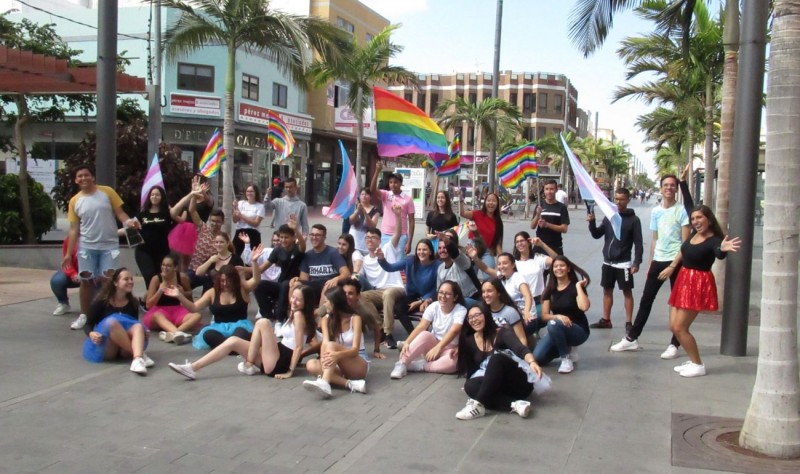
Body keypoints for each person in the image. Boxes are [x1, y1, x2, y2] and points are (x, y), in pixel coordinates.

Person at [611, 174, 690, 357]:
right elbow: (655, 239)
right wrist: (650, 263)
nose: (669, 188)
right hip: (658, 261)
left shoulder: (682, 211)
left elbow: (685, 243)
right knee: (646, 300)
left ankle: (674, 344)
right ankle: (631, 338)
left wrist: (673, 265)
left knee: (677, 303)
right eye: (666, 185)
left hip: (677, 262)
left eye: (672, 185)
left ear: (676, 189)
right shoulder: (656, 211)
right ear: (661, 188)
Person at [168, 285, 320, 380]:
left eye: (298, 300)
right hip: (276, 354)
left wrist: (290, 371)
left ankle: (249, 364)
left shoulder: (300, 316)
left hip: (280, 362)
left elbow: (299, 347)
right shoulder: (295, 314)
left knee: (263, 322)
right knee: (233, 341)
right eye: (293, 297)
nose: (293, 301)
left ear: (306, 303)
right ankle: (193, 368)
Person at [660, 206, 740, 377]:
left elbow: (718, 252)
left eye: (699, 218)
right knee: (673, 326)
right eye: (693, 218)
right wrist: (672, 266)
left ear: (709, 219)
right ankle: (692, 359)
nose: (695, 221)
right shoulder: (693, 234)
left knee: (680, 327)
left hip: (697, 284)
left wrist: (722, 248)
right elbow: (683, 250)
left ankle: (698, 365)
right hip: (683, 280)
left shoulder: (714, 240)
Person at [64, 164, 140, 331]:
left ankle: (107, 313)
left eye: (86, 175)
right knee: (86, 281)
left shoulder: (107, 192)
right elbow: (74, 229)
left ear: (93, 177)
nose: (83, 178)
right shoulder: (75, 201)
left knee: (109, 281)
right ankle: (85, 315)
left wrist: (129, 222)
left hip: (109, 246)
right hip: (86, 246)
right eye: (80, 176)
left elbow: (120, 213)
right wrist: (69, 254)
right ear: (76, 180)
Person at [454, 303, 544, 420]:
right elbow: (471, 369)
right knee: (470, 386)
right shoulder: (469, 340)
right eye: (470, 317)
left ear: (486, 315)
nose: (474, 320)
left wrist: (532, 361)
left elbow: (519, 348)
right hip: (496, 384)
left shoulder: (502, 333)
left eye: (477, 315)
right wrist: (471, 385)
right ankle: (515, 405)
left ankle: (478, 405)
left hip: (518, 383)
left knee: (496, 358)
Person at [167, 254, 263, 351]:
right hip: (218, 328)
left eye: (228, 281)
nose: (225, 284)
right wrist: (179, 296)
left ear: (234, 280)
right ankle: (233, 348)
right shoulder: (212, 293)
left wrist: (254, 262)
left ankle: (226, 348)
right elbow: (194, 307)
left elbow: (256, 280)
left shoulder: (242, 289)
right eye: (222, 281)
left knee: (240, 333)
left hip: (240, 326)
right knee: (207, 334)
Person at [587, 188, 643, 333]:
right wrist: (591, 223)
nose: (619, 202)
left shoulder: (634, 220)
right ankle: (606, 320)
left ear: (628, 200)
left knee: (627, 292)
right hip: (608, 262)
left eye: (622, 199)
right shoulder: (609, 217)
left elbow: (638, 243)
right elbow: (596, 235)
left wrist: (636, 262)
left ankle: (629, 322)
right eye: (617, 198)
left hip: (623, 263)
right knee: (607, 291)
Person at [81, 268, 153, 375]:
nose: (130, 282)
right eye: (126, 279)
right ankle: (139, 354)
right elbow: (88, 324)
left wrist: (144, 333)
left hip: (124, 349)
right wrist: (91, 334)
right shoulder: (101, 302)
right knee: (112, 322)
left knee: (138, 326)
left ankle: (137, 359)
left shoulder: (133, 303)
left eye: (131, 279)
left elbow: (133, 324)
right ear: (115, 283)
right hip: (107, 346)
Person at [390, 280, 466, 379]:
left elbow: (454, 330)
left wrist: (438, 347)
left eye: (448, 294)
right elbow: (421, 326)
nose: (443, 296)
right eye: (441, 292)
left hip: (449, 349)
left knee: (454, 364)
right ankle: (402, 363)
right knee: (424, 334)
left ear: (455, 297)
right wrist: (408, 341)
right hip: (432, 347)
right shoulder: (434, 306)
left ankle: (418, 366)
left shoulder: (461, 310)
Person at [302, 287, 368, 397]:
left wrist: (337, 355)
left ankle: (325, 381)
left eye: (327, 301)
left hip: (357, 362)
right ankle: (350, 384)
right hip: (335, 362)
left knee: (332, 345)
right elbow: (325, 343)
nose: (325, 305)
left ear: (335, 303)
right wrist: (325, 360)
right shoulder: (326, 319)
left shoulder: (355, 318)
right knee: (311, 364)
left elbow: (355, 350)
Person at [533, 256, 591, 374]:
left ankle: (565, 359)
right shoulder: (549, 290)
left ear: (568, 268)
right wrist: (557, 316)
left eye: (562, 266)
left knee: (553, 324)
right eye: (556, 266)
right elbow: (544, 315)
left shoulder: (575, 287)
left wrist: (579, 287)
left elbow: (584, 307)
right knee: (538, 358)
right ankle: (565, 347)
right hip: (558, 328)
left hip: (578, 330)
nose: (559, 268)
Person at [360, 226, 408, 349]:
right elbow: (360, 278)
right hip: (378, 292)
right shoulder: (364, 260)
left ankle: (388, 334)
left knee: (388, 294)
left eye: (373, 237)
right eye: (367, 237)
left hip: (396, 288)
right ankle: (379, 328)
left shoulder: (387, 249)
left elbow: (397, 233)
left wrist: (397, 215)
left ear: (380, 241)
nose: (370, 240)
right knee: (362, 296)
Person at [378, 238, 441, 332]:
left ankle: (426, 336)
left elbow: (438, 288)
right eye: (419, 249)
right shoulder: (410, 261)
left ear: (430, 252)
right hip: (412, 295)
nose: (421, 252)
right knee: (398, 308)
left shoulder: (437, 265)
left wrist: (423, 300)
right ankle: (413, 335)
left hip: (429, 297)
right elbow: (389, 267)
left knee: (427, 311)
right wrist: (381, 258)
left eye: (424, 249)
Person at [252, 218, 305, 328]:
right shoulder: (277, 250)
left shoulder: (297, 249)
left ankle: (280, 320)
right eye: (281, 237)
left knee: (285, 284)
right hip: (280, 284)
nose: (283, 240)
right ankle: (268, 317)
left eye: (286, 237)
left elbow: (303, 246)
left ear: (293, 237)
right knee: (259, 285)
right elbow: (261, 269)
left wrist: (296, 229)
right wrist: (253, 262)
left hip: (294, 285)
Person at [142, 254, 200, 345]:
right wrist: (160, 290)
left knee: (197, 315)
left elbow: (190, 296)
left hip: (177, 311)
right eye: (163, 265)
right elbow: (148, 305)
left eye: (168, 266)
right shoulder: (156, 279)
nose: (165, 268)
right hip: (159, 311)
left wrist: (182, 294)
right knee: (157, 315)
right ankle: (177, 332)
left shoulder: (182, 277)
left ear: (175, 267)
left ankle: (174, 333)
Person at [469, 251, 534, 324]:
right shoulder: (502, 276)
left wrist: (526, 312)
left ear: (513, 265)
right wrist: (475, 258)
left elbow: (527, 295)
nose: (501, 266)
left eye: (505, 263)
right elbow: (485, 269)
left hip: (526, 318)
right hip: (510, 315)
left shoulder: (517, 278)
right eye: (499, 264)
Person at [511, 232, 558, 334]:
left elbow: (557, 260)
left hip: (538, 300)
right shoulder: (513, 263)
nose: (519, 244)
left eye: (522, 241)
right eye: (517, 242)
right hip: (521, 302)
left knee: (538, 319)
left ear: (528, 242)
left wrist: (542, 245)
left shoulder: (538, 258)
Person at [296, 224, 350, 305]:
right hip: (313, 286)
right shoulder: (307, 255)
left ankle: (320, 316)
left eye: (318, 235)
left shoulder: (333, 253)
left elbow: (346, 274)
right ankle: (291, 314)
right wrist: (297, 280)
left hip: (329, 285)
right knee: (296, 285)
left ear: (324, 237)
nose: (314, 237)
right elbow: (304, 279)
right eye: (312, 234)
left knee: (326, 287)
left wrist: (336, 279)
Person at [370, 162, 415, 257]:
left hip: (401, 236)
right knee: (384, 260)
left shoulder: (407, 199)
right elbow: (372, 190)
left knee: (398, 264)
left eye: (395, 182)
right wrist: (377, 171)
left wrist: (409, 242)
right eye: (390, 182)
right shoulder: (386, 195)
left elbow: (411, 221)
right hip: (385, 235)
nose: (392, 185)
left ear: (401, 183)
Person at [136, 185, 177, 288]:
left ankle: (152, 300)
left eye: (157, 195)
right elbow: (130, 228)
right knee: (149, 276)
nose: (154, 197)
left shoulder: (167, 214)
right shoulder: (142, 215)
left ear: (162, 197)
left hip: (162, 251)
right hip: (143, 251)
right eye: (152, 194)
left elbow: (179, 219)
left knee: (161, 277)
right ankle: (150, 301)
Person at [168, 176, 210, 272]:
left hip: (198, 230)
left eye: (201, 183)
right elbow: (183, 219)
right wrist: (171, 211)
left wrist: (202, 193)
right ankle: (180, 278)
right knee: (181, 259)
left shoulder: (207, 200)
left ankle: (187, 279)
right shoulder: (190, 199)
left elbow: (208, 202)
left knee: (191, 259)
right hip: (184, 230)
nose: (198, 186)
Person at [458, 189, 504, 272]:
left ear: (497, 204)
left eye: (494, 201)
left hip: (487, 251)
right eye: (488, 200)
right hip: (472, 248)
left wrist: (502, 259)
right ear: (485, 202)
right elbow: (462, 213)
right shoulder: (477, 214)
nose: (491, 203)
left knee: (489, 277)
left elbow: (498, 244)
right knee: (470, 277)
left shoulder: (498, 222)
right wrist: (461, 199)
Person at [479, 279, 527, 345]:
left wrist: (524, 354)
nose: (485, 295)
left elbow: (522, 338)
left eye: (489, 291)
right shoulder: (483, 313)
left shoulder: (510, 312)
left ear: (498, 293)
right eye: (483, 292)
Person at [51, 237, 85, 329]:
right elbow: (67, 262)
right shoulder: (69, 240)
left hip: (90, 273)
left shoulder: (94, 238)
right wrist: (73, 274)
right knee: (57, 280)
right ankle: (63, 303)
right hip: (75, 273)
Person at [531, 179, 570, 256]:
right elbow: (532, 226)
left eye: (552, 189)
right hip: (539, 246)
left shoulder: (561, 207)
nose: (549, 192)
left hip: (555, 246)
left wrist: (547, 225)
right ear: (544, 190)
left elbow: (564, 229)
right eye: (547, 189)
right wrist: (537, 215)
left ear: (556, 190)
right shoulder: (540, 205)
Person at [437, 239, 479, 306]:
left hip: (471, 299)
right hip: (452, 302)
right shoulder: (440, 268)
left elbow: (457, 255)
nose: (442, 250)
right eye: (439, 248)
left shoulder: (461, 262)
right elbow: (439, 290)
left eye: (445, 248)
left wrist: (448, 242)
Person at [232, 183, 266, 257]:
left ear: (255, 193)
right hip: (240, 231)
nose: (249, 193)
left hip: (253, 233)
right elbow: (235, 220)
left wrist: (242, 216)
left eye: (251, 191)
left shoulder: (260, 206)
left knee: (253, 256)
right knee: (234, 254)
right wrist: (235, 208)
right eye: (247, 191)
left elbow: (256, 223)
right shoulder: (241, 203)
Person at [348, 188, 381, 254]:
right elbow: (351, 221)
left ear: (370, 197)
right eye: (362, 194)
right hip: (353, 238)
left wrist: (365, 212)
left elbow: (372, 226)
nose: (364, 196)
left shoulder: (375, 210)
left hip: (365, 240)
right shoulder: (354, 207)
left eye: (366, 194)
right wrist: (357, 211)